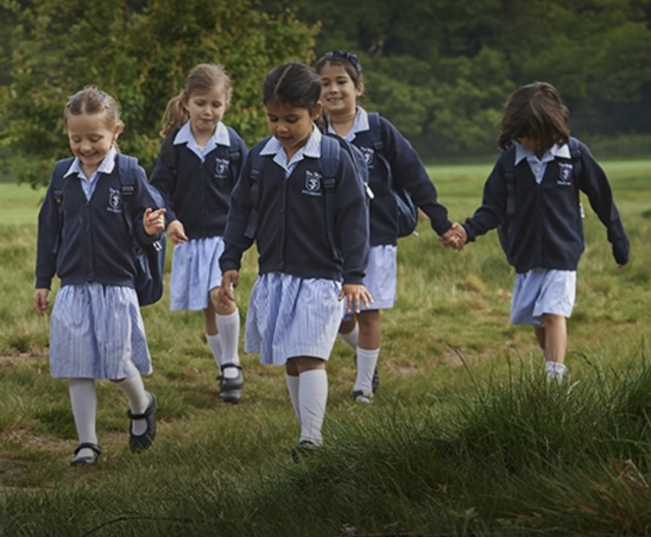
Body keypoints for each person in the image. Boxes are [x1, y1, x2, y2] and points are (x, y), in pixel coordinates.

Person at [219, 62, 372, 460]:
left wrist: (354, 275)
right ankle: (305, 427)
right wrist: (231, 258)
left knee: (310, 356)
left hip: (322, 277)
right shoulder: (259, 160)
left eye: (292, 119)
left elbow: (355, 219)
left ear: (316, 112)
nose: (281, 128)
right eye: (273, 118)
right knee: (291, 357)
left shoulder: (335, 159)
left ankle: (312, 439)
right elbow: (241, 211)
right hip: (276, 275)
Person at [443, 81, 630, 382]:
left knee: (553, 313)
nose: (531, 141)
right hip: (526, 254)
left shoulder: (575, 156)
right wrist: (466, 231)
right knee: (538, 318)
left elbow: (602, 199)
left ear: (553, 126)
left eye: (536, 135)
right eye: (525, 135)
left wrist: (618, 241)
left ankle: (554, 383)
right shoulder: (508, 164)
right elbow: (492, 208)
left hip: (562, 251)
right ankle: (552, 370)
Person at [315, 50, 461, 403]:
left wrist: (441, 222)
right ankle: (365, 358)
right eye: (324, 84)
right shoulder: (314, 133)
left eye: (341, 82)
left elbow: (415, 175)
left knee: (368, 312)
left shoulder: (379, 131)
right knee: (338, 317)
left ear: (358, 88)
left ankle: (364, 385)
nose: (333, 90)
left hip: (376, 239)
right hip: (329, 242)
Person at [34, 87, 165, 466]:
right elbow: (49, 232)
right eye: (77, 138)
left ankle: (142, 404)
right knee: (78, 367)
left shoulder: (129, 174)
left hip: (116, 286)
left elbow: (143, 231)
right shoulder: (63, 176)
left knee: (117, 366)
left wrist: (150, 228)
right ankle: (87, 443)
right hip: (73, 286)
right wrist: (44, 281)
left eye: (95, 138)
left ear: (115, 132)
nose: (86, 146)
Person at [150, 64, 248, 403]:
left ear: (226, 105)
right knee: (208, 307)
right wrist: (171, 220)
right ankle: (224, 371)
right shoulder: (174, 146)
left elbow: (249, 189)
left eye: (216, 105)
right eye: (201, 103)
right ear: (187, 101)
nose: (208, 111)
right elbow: (159, 190)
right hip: (190, 239)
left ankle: (233, 363)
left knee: (221, 296)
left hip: (224, 237)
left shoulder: (233, 144)